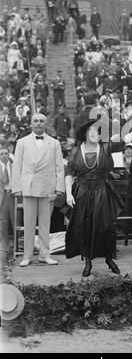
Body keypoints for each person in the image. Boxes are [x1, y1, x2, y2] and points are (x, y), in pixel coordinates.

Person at [65, 114, 132, 276]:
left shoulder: (106, 147)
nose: (93, 134)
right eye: (90, 131)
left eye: (96, 132)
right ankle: (88, 262)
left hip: (102, 192)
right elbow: (69, 173)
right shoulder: (76, 152)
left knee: (106, 226)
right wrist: (69, 194)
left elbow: (126, 139)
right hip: (82, 193)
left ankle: (109, 259)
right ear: (85, 135)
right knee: (85, 227)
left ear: (99, 135)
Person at [11, 114, 65, 267]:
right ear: (31, 123)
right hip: (29, 187)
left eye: (41, 121)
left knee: (45, 223)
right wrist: (17, 188)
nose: (39, 124)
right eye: (36, 121)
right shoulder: (22, 142)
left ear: (46, 124)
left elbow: (59, 167)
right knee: (28, 223)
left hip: (47, 187)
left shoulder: (54, 143)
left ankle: (44, 254)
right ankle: (27, 256)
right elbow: (17, 166)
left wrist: (60, 187)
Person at [0, 145, 14, 268]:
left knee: (16, 222)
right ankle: (4, 249)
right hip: (2, 197)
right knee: (3, 224)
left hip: (13, 196)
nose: (4, 155)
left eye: (6, 153)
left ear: (9, 154)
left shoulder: (14, 166)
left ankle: (17, 249)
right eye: (1, 153)